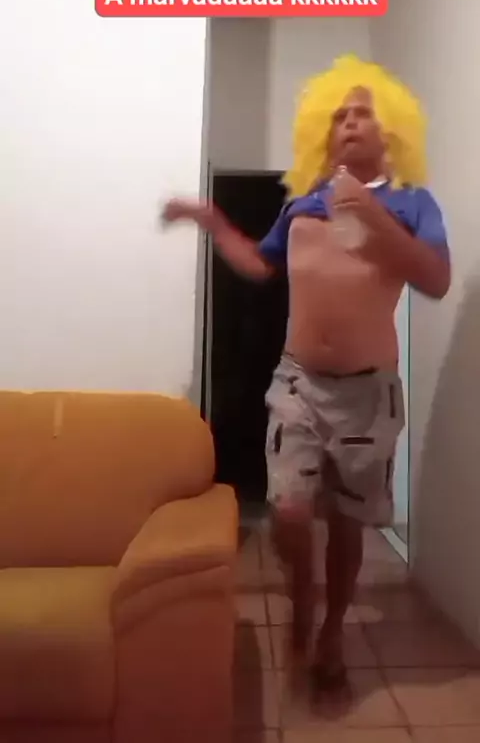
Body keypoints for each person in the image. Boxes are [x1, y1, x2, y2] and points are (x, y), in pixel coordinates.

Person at [161, 54, 451, 692]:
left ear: (390, 130)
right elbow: (260, 265)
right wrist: (212, 223)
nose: (348, 123)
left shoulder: (413, 203)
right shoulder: (304, 204)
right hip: (297, 383)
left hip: (368, 392)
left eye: (362, 113)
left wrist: (369, 213)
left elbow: (435, 278)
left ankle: (331, 632)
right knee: (290, 512)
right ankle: (303, 598)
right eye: (338, 115)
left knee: (346, 522)